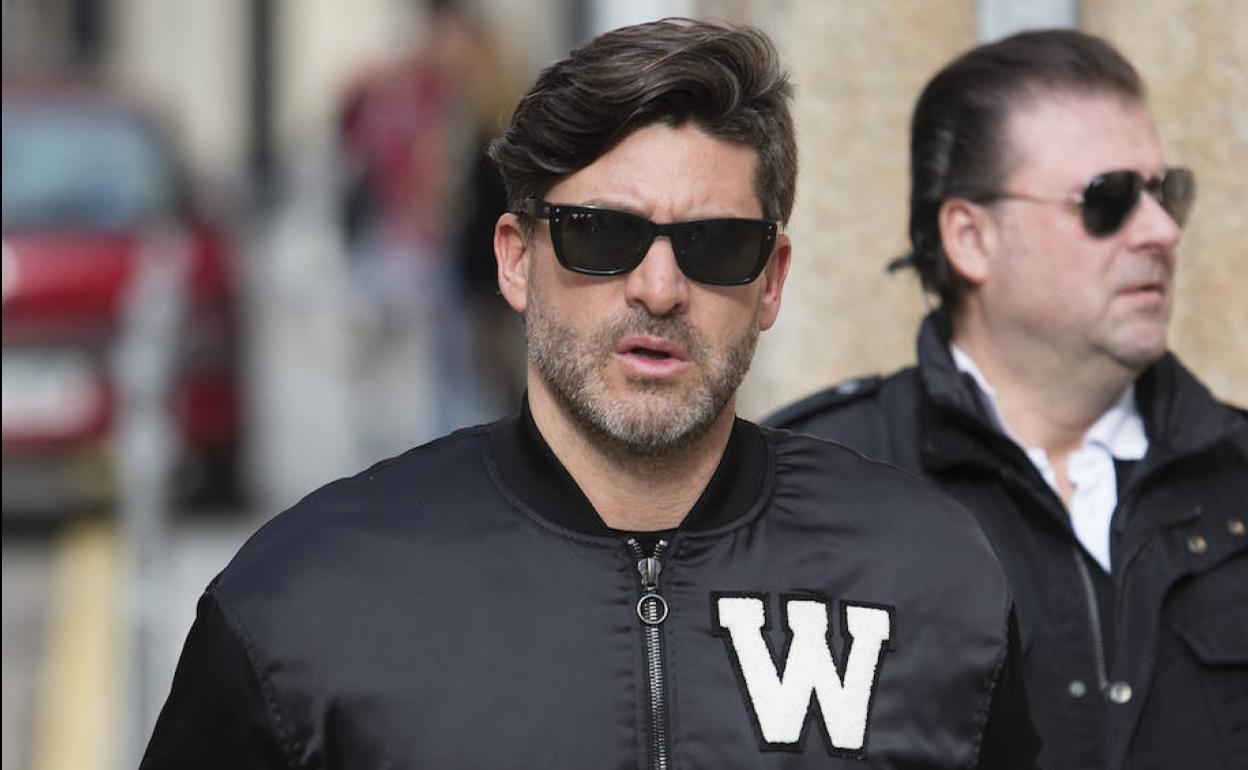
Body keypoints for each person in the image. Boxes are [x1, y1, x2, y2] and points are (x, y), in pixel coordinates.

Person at [142, 19, 1038, 768]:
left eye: (717, 245)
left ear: (771, 281)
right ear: (515, 260)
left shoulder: (929, 576)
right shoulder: (309, 597)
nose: (659, 288)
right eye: (602, 235)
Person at [768, 28, 1247, 770]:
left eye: (1167, 193)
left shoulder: (1234, 471)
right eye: (1109, 199)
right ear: (970, 238)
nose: (1160, 231)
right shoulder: (819, 488)